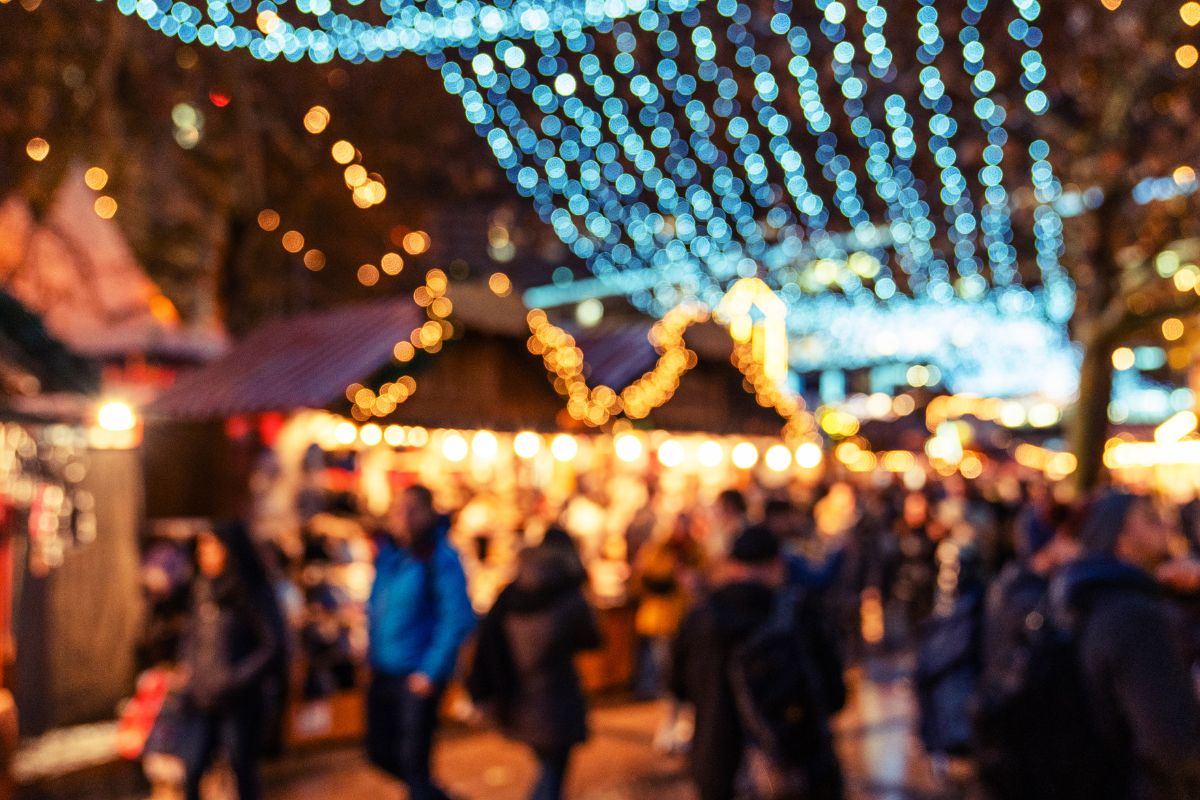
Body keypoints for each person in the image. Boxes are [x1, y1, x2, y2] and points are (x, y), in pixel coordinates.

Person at [671, 526, 843, 800]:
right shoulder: (798, 614)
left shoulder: (698, 619)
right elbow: (834, 695)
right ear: (777, 564)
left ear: (732, 566)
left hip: (718, 764)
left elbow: (677, 686)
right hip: (795, 766)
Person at [1051, 491, 1200, 799]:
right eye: (1150, 518)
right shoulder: (1135, 616)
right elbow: (1173, 745)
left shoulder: (1086, 596)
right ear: (1119, 538)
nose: (1166, 524)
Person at [469, 529, 602, 800]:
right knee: (554, 768)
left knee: (549, 765)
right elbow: (593, 638)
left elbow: (488, 640)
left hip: (519, 694)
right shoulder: (568, 594)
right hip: (554, 694)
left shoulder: (512, 591)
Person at [366, 485, 476, 800]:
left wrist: (431, 670)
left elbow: (457, 617)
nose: (403, 518)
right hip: (384, 671)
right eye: (399, 510)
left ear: (428, 513)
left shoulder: (440, 557)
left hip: (417, 675)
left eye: (412, 510)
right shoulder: (391, 553)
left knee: (415, 764)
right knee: (379, 752)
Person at [177, 522, 282, 800]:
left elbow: (272, 645)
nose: (204, 554)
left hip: (239, 702)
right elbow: (192, 634)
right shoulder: (202, 588)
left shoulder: (251, 592)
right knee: (193, 767)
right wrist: (188, 667)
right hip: (202, 698)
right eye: (201, 546)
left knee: (241, 769)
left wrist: (235, 678)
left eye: (211, 546)